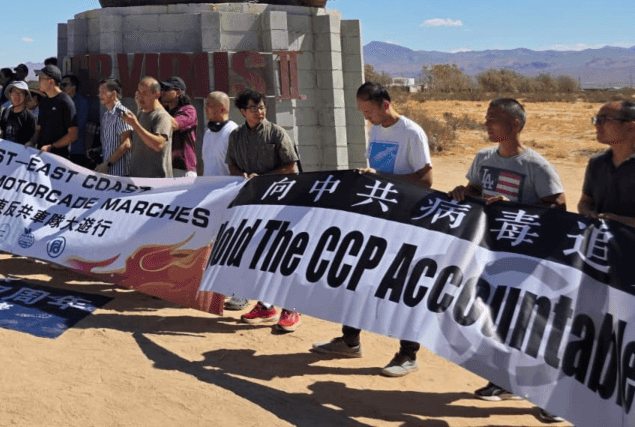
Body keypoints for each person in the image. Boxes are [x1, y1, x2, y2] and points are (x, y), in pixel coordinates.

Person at [449, 98, 565, 421]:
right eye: (486, 119)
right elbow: (474, 189)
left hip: (526, 259)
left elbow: (558, 208)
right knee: (499, 321)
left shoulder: (536, 166)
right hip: (490, 255)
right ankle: (503, 381)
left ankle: (552, 395)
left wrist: (515, 208)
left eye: (494, 120)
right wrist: (463, 191)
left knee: (532, 326)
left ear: (515, 124)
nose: (486, 125)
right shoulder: (483, 158)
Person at [312, 81, 432, 376]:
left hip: (404, 220)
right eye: (363, 113)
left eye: (369, 112)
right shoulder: (376, 130)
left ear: (385, 105)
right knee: (359, 276)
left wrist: (385, 178)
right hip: (375, 217)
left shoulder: (411, 133)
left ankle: (408, 354)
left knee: (401, 285)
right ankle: (350, 340)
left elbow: (427, 181)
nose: (367, 119)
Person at [225, 90, 302, 332]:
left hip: (280, 204)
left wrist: (264, 179)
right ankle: (265, 305)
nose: (260, 112)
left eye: (262, 107)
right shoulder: (236, 136)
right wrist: (244, 177)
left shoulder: (277, 133)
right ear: (243, 112)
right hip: (252, 204)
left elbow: (291, 166)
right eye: (254, 108)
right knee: (256, 255)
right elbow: (232, 164)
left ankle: (291, 309)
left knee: (280, 255)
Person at [579, 99, 635, 228]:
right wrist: (588, 213)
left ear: (631, 127)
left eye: (604, 120)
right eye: (596, 120)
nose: (596, 125)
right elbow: (585, 202)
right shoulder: (596, 162)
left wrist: (619, 222)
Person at [121, 77, 174, 178]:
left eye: (145, 93)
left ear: (157, 94)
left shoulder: (162, 116)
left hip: (155, 183)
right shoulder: (141, 114)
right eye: (139, 93)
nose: (140, 97)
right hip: (137, 180)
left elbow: (158, 145)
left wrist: (135, 125)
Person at [34, 65, 76, 155]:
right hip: (41, 155)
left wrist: (52, 146)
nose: (39, 82)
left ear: (51, 82)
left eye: (41, 79)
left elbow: (73, 135)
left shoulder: (66, 102)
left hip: (58, 158)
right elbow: (39, 128)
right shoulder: (43, 101)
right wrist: (31, 142)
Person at [95, 78, 133, 176]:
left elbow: (126, 144)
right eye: (99, 92)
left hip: (120, 173)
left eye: (103, 92)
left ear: (113, 94)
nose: (100, 95)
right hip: (107, 171)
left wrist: (108, 164)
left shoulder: (122, 113)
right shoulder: (106, 115)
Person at [161, 76, 198, 177]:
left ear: (178, 92)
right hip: (166, 167)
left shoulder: (189, 110)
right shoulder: (165, 111)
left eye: (167, 89)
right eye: (162, 89)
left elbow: (173, 125)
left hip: (183, 168)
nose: (162, 92)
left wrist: (156, 106)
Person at [197, 91, 239, 178]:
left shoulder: (233, 131)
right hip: (207, 188)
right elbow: (203, 162)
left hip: (225, 189)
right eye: (206, 106)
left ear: (222, 109)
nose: (205, 109)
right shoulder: (208, 133)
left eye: (209, 106)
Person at [61, 74, 93, 167]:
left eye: (64, 84)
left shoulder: (82, 102)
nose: (61, 87)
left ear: (73, 86)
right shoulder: (62, 100)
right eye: (61, 84)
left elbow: (79, 124)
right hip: (61, 147)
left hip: (76, 149)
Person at [0, 81, 37, 145]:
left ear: (26, 96)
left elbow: (31, 141)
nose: (17, 96)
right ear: (10, 94)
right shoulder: (5, 112)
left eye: (21, 93)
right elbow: (2, 132)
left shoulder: (30, 117)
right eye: (14, 92)